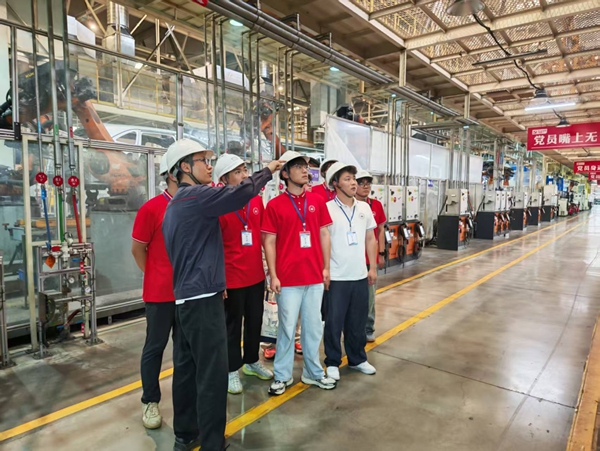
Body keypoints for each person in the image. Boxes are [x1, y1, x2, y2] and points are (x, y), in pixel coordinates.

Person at [162, 139, 283, 451]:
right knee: (212, 375)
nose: (209, 165)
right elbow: (239, 193)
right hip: (203, 300)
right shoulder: (196, 197)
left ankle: (186, 434)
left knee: (187, 370)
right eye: (202, 160)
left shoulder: (176, 205)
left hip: (185, 299)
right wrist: (267, 170)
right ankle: (213, 443)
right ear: (184, 167)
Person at [262, 150, 337, 395]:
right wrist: (274, 274)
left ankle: (313, 372)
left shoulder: (317, 201)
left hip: (314, 276)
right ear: (285, 173)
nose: (305, 170)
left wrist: (326, 267)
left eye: (306, 166)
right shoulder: (275, 205)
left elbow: (324, 234)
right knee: (286, 328)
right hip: (288, 279)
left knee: (313, 327)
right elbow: (269, 241)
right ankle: (282, 375)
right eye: (298, 167)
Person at [213, 154, 274, 395]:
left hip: (255, 275)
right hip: (231, 277)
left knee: (255, 321)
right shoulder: (218, 205)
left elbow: (264, 237)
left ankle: (251, 360)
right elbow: (214, 247)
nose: (244, 175)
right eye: (237, 172)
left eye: (245, 170)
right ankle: (231, 369)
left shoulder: (256, 200)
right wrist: (219, 280)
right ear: (224, 178)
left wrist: (269, 269)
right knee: (232, 325)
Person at [131, 153, 177, 430]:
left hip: (188, 293)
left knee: (186, 349)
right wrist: (156, 274)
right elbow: (138, 249)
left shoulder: (194, 207)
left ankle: (185, 398)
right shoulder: (152, 209)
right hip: (160, 294)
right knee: (155, 347)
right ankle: (150, 400)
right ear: (174, 173)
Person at [323, 162, 378, 382]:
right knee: (334, 322)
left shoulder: (364, 208)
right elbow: (324, 241)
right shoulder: (327, 208)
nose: (354, 183)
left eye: (354, 179)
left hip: (360, 275)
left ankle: (357, 359)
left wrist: (372, 267)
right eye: (347, 179)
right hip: (337, 277)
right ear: (335, 183)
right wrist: (326, 269)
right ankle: (332, 361)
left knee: (357, 321)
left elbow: (370, 238)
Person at [355, 170, 387, 342]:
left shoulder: (376, 205)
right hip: (352, 259)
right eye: (362, 182)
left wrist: (380, 253)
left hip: (369, 259)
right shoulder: (348, 205)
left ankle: (368, 328)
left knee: (369, 297)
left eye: (368, 183)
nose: (365, 186)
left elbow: (380, 230)